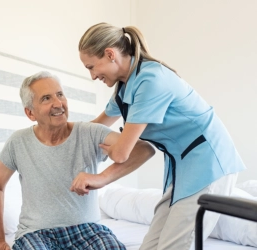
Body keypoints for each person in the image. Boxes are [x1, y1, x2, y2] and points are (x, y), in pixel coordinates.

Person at [78, 22, 246, 250]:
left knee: (175, 246)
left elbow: (121, 153)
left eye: (91, 67)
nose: (92, 75)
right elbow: (96, 126)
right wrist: (58, 133)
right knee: (150, 246)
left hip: (208, 162)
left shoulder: (151, 80)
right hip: (182, 167)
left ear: (110, 55)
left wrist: (100, 175)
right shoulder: (124, 87)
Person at [0, 71, 155, 250]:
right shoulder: (18, 141)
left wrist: (102, 178)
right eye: (46, 98)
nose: (58, 103)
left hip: (88, 231)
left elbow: (144, 150)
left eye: (60, 95)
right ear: (30, 113)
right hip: (36, 233)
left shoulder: (90, 132)